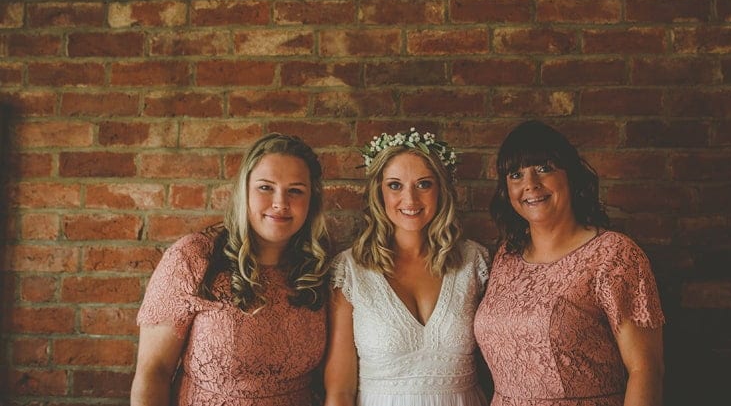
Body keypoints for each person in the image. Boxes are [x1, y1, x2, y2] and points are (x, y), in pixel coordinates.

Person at [473, 120, 665, 406]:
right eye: (516, 174)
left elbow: (646, 370)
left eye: (544, 168)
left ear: (571, 176)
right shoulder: (506, 256)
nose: (530, 185)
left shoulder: (614, 255)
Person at [131, 133, 330, 405]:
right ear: (243, 191)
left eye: (295, 190)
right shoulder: (194, 257)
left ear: (311, 200)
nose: (280, 203)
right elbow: (154, 371)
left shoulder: (321, 268)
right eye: (265, 187)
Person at [324, 128, 490, 406]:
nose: (410, 200)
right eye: (395, 185)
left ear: (441, 189)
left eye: (423, 184)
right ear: (379, 191)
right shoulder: (350, 270)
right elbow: (340, 390)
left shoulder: (474, 261)